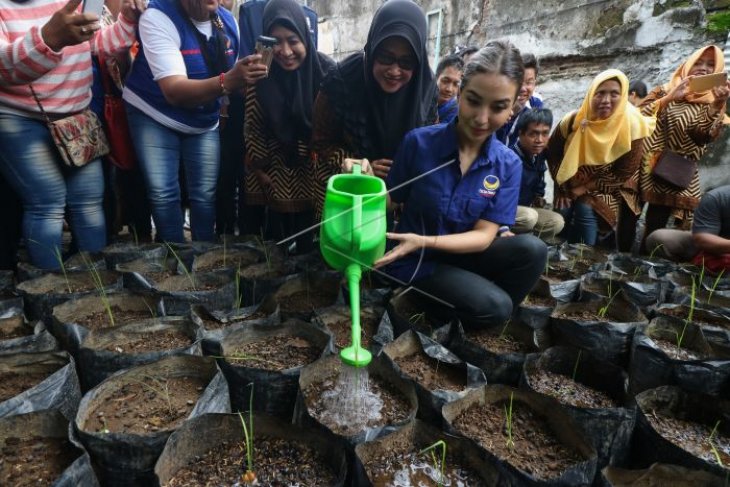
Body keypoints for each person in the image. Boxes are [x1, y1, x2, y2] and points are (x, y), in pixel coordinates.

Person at [343, 41, 548, 329]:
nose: (481, 118)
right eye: (474, 100)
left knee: (534, 250)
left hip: (462, 254)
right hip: (415, 258)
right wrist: (363, 181)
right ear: (460, 92)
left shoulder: (507, 164)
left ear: (513, 107)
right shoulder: (420, 142)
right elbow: (389, 199)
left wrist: (426, 239)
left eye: (498, 107)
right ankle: (425, 304)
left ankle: (471, 309)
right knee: (497, 306)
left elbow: (484, 236)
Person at [0, 0, 145, 270]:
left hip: (76, 117)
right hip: (21, 119)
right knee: (47, 202)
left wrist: (126, 20)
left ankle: (94, 288)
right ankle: (50, 291)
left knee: (89, 202)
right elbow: (3, 68)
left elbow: (99, 44)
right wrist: (49, 39)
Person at [123, 0, 266, 243]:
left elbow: (229, 77)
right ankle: (174, 254)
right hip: (154, 113)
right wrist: (229, 81)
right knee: (164, 193)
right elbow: (174, 91)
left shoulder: (227, 22)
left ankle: (203, 255)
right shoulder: (158, 17)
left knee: (205, 193)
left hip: (202, 117)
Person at [312, 0, 437, 216]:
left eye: (407, 62)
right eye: (385, 57)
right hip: (348, 196)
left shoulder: (426, 89)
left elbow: (431, 147)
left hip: (403, 200)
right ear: (372, 48)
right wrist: (356, 163)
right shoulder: (342, 81)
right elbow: (319, 139)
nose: (394, 70)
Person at [243, 0, 334, 253]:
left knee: (312, 237)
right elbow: (253, 123)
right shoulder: (262, 71)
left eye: (293, 40)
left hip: (314, 163)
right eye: (276, 41)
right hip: (275, 164)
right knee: (278, 238)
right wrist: (260, 165)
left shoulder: (326, 73)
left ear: (305, 37)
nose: (285, 51)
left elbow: (334, 130)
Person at [626, 45, 730, 253]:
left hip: (673, 171)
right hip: (642, 164)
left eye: (710, 64)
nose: (703, 68)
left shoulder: (713, 101)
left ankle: (642, 269)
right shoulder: (663, 90)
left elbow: (702, 136)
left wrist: (717, 104)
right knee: (628, 217)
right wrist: (669, 98)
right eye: (698, 62)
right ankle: (617, 261)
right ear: (688, 64)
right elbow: (634, 118)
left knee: (656, 223)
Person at [547, 69, 655, 247]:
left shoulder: (631, 128)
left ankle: (583, 256)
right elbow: (553, 152)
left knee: (585, 208)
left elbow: (623, 172)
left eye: (614, 94)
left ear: (624, 96)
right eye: (600, 93)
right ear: (591, 94)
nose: (606, 101)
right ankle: (554, 256)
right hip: (569, 182)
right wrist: (561, 187)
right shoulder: (574, 120)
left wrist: (583, 189)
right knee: (562, 212)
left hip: (605, 187)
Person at [646, 185, 730, 273]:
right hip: (717, 245)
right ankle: (681, 273)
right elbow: (703, 238)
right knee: (659, 238)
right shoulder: (716, 198)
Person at [509, 108, 564, 241]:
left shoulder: (539, 155)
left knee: (556, 221)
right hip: (504, 211)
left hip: (526, 209)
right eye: (533, 134)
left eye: (545, 134)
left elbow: (540, 178)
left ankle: (527, 242)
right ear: (521, 134)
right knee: (529, 217)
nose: (539, 140)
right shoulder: (509, 158)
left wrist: (538, 196)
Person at [496, 52, 543, 147]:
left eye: (529, 82)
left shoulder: (536, 104)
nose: (523, 88)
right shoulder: (497, 105)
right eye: (518, 81)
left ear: (535, 83)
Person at [435, 54, 463, 124]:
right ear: (436, 78)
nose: (449, 89)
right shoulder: (421, 101)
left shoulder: (456, 114)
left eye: (456, 84)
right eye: (445, 81)